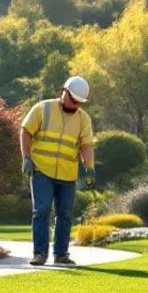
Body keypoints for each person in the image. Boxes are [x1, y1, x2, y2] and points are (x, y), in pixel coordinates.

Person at [20, 76, 97, 267]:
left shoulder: (83, 119)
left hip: (67, 174)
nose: (75, 105)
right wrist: (26, 158)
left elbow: (86, 145)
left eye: (79, 102)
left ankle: (61, 254)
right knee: (42, 210)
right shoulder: (43, 108)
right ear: (64, 92)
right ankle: (39, 254)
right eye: (73, 100)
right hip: (41, 170)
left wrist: (89, 169)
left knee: (65, 214)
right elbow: (25, 131)